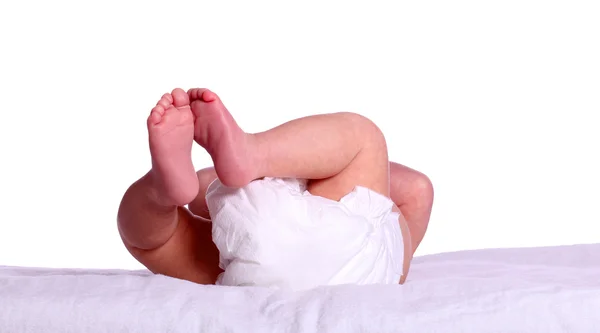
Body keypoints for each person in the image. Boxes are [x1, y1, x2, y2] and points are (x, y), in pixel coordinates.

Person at [117, 88, 434, 286]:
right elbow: (418, 189)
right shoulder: (387, 265)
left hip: (257, 225)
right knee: (163, 238)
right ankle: (237, 164)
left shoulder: (380, 211)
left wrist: (299, 165)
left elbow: (411, 186)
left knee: (155, 240)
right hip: (344, 269)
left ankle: (164, 190)